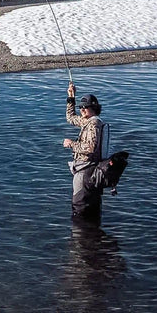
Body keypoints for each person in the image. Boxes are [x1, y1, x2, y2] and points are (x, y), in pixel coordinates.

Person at [62, 82, 107, 223]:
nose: (81, 110)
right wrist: (71, 96)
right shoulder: (89, 121)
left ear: (93, 108)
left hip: (86, 170)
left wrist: (72, 144)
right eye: (81, 107)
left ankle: (80, 237)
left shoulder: (93, 125)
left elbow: (90, 148)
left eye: (84, 107)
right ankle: (93, 236)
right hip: (91, 170)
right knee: (91, 206)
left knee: (80, 206)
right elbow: (70, 118)